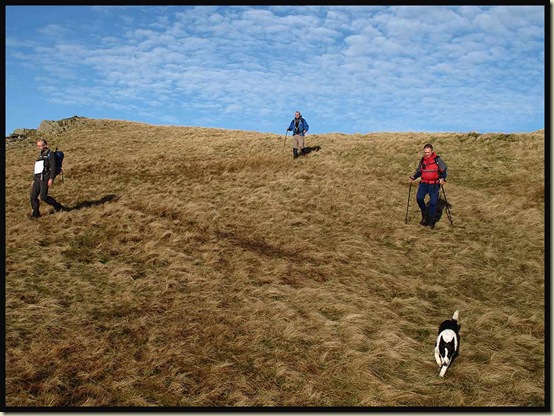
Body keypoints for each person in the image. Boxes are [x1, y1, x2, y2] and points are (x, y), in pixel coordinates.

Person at [409, 143, 448, 229]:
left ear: (432, 151)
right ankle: (425, 214)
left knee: (433, 203)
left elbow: (444, 171)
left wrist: (443, 179)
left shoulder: (437, 159)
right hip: (423, 184)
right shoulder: (423, 160)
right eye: (425, 152)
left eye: (428, 152)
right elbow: (419, 172)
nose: (427, 154)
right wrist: (413, 177)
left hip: (434, 184)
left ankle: (431, 221)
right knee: (419, 198)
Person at [30, 138, 64, 218]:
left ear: (45, 145)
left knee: (43, 197)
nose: (38, 147)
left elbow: (53, 167)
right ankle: (36, 213)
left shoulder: (50, 154)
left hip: (45, 178)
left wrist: (51, 178)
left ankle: (58, 206)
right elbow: (38, 168)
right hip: (38, 178)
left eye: (39, 146)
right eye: (37, 146)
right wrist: (34, 179)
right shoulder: (41, 154)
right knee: (33, 196)